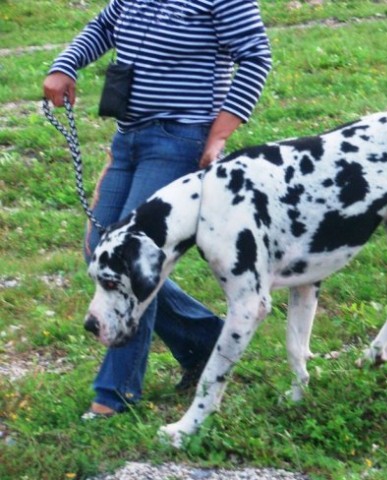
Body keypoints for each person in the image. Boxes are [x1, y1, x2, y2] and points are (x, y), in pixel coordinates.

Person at [43, 0, 272, 418]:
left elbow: (256, 57)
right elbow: (104, 26)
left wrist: (218, 136)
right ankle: (204, 339)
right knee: (100, 249)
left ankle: (115, 394)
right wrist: (65, 65)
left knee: (130, 261)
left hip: (179, 139)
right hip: (129, 139)